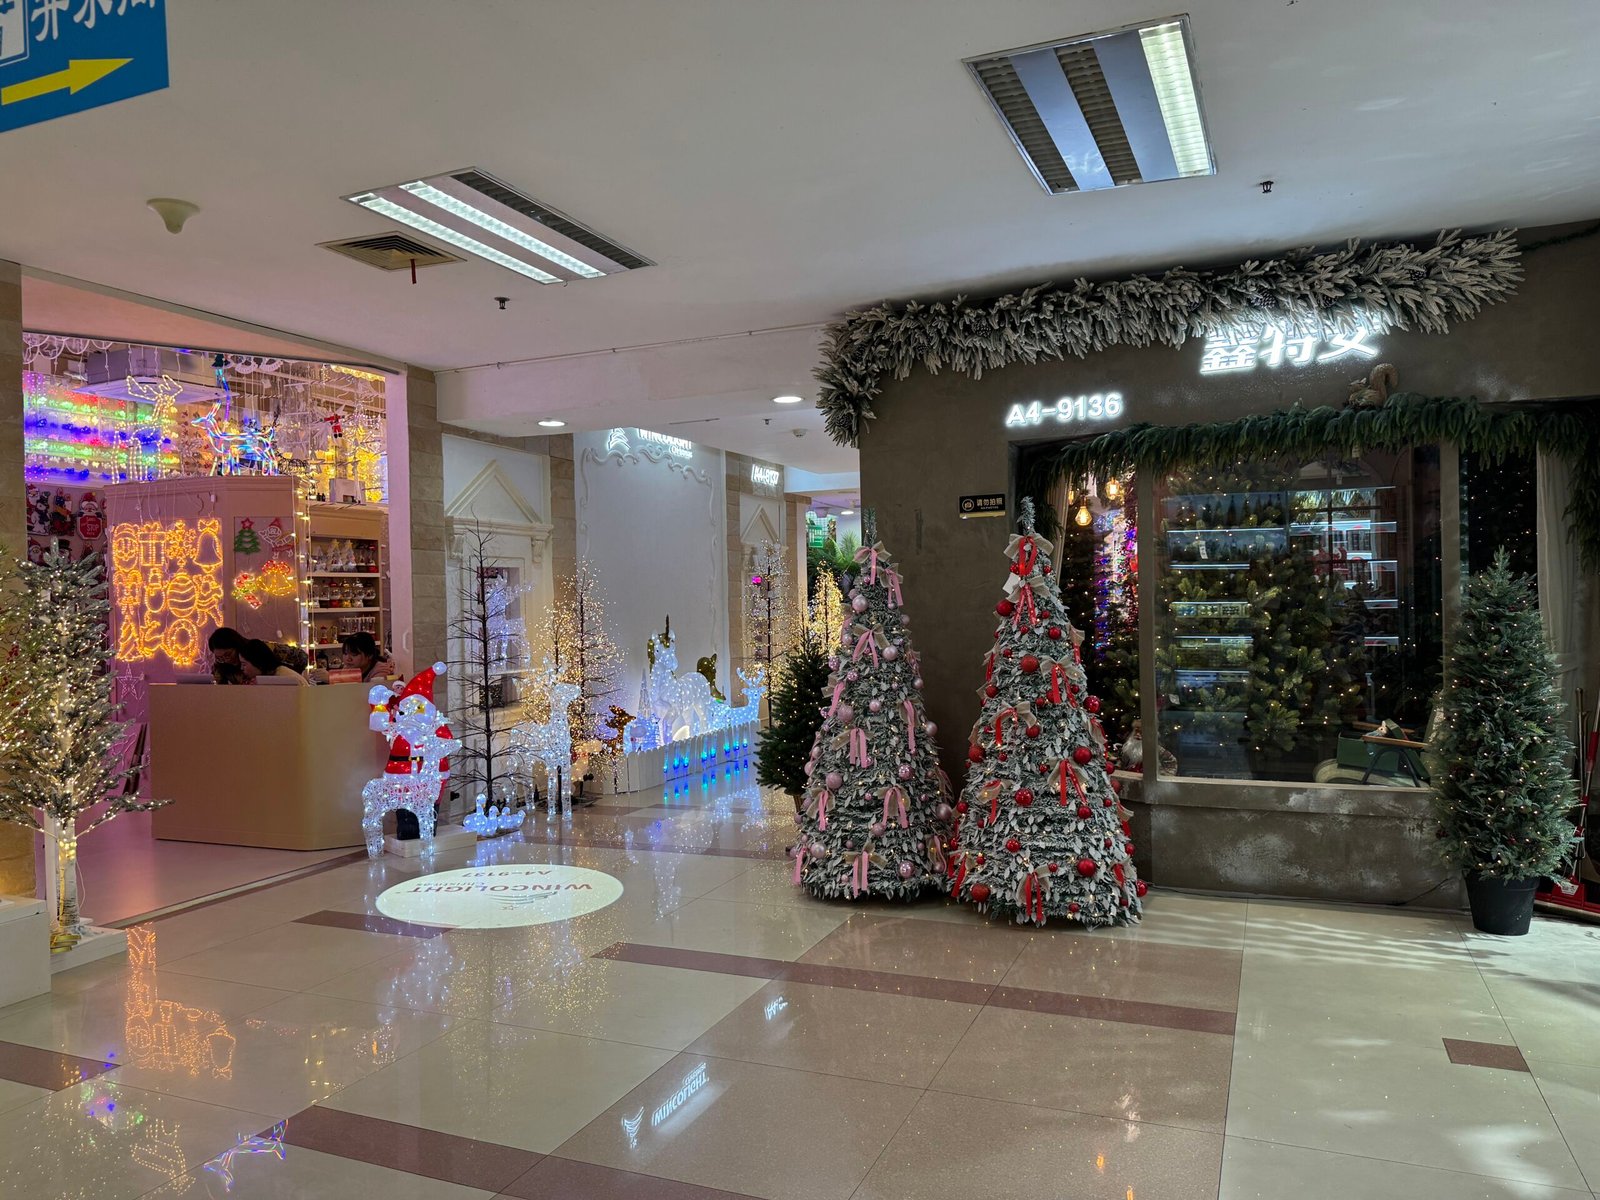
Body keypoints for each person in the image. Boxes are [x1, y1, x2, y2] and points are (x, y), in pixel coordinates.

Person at [238, 638, 310, 685]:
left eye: (244, 664)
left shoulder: (282, 679)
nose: (241, 668)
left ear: (257, 662)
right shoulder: (274, 674)